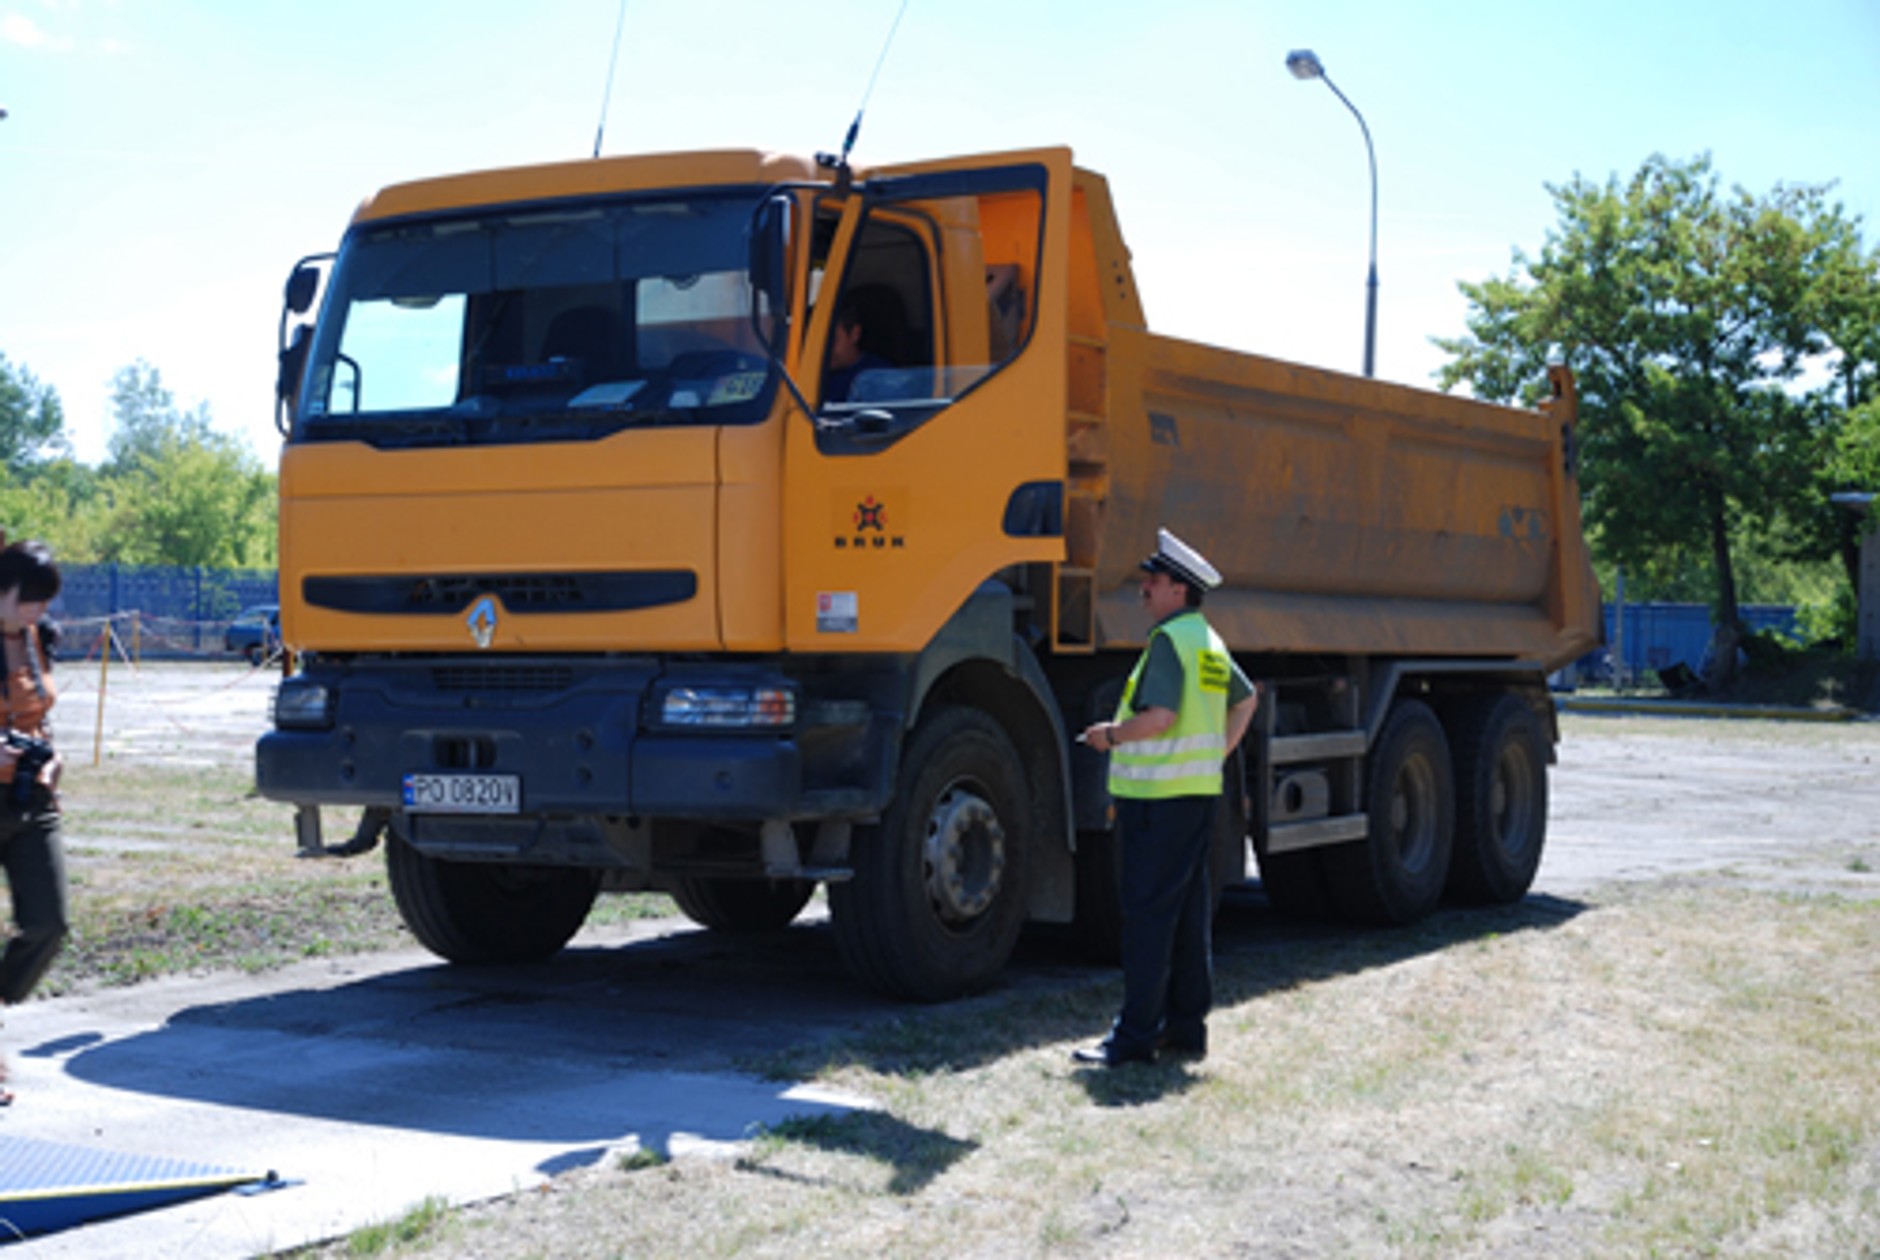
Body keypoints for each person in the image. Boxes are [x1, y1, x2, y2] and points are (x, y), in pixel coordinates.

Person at [1075, 528, 1258, 1069]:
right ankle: (1185, 1029)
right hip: (1196, 795)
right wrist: (1214, 755)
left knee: (1149, 918)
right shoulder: (1208, 642)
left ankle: (1133, 1038)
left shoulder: (1168, 643)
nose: (1144, 591)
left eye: (1153, 582)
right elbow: (1245, 703)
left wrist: (1108, 735)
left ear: (1179, 590)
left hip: (1157, 800)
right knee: (1187, 915)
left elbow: (1159, 719)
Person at [0, 537, 66, 1104]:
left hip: (31, 800)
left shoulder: (39, 640)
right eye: (30, 600)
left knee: (49, 924)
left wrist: (53, 759)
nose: (38, 612)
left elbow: (41, 718)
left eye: (44, 602)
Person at [822, 290, 893, 403]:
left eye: (832, 341)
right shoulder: (805, 372)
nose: (823, 351)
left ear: (855, 334)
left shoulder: (879, 377)